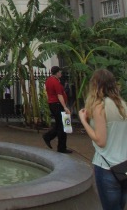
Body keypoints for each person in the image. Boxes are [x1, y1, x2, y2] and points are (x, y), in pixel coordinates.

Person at [79, 69, 127, 210]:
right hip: (124, 167)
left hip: (107, 167)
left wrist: (84, 122)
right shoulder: (123, 106)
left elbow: (100, 141)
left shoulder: (100, 107)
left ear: (96, 85)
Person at [42, 66, 72, 153]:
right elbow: (59, 95)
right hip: (57, 104)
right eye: (60, 72)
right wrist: (65, 107)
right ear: (57, 73)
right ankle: (60, 147)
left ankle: (49, 137)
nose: (61, 73)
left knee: (59, 125)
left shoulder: (48, 80)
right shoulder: (55, 82)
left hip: (53, 104)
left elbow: (47, 92)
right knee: (62, 126)